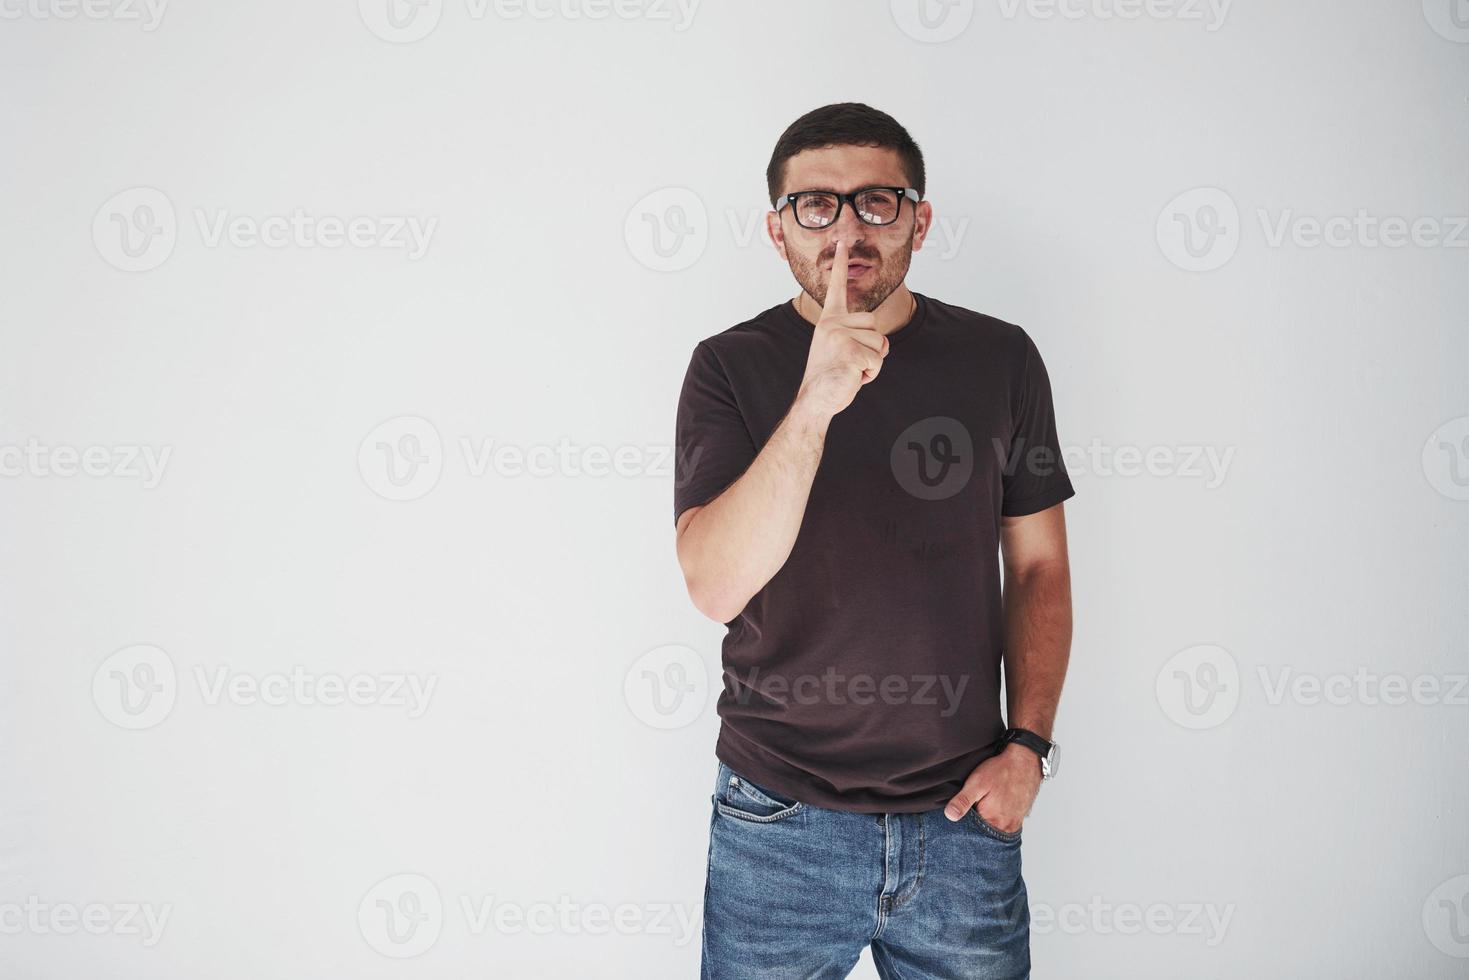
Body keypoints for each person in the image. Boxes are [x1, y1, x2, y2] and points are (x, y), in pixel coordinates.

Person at [673, 102, 1074, 979]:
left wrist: (1028, 747)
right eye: (814, 206)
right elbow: (714, 585)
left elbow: (1039, 563)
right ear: (777, 230)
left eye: (876, 202)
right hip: (776, 823)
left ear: (918, 221)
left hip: (964, 821)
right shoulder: (727, 368)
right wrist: (816, 398)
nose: (845, 228)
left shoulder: (1000, 359)